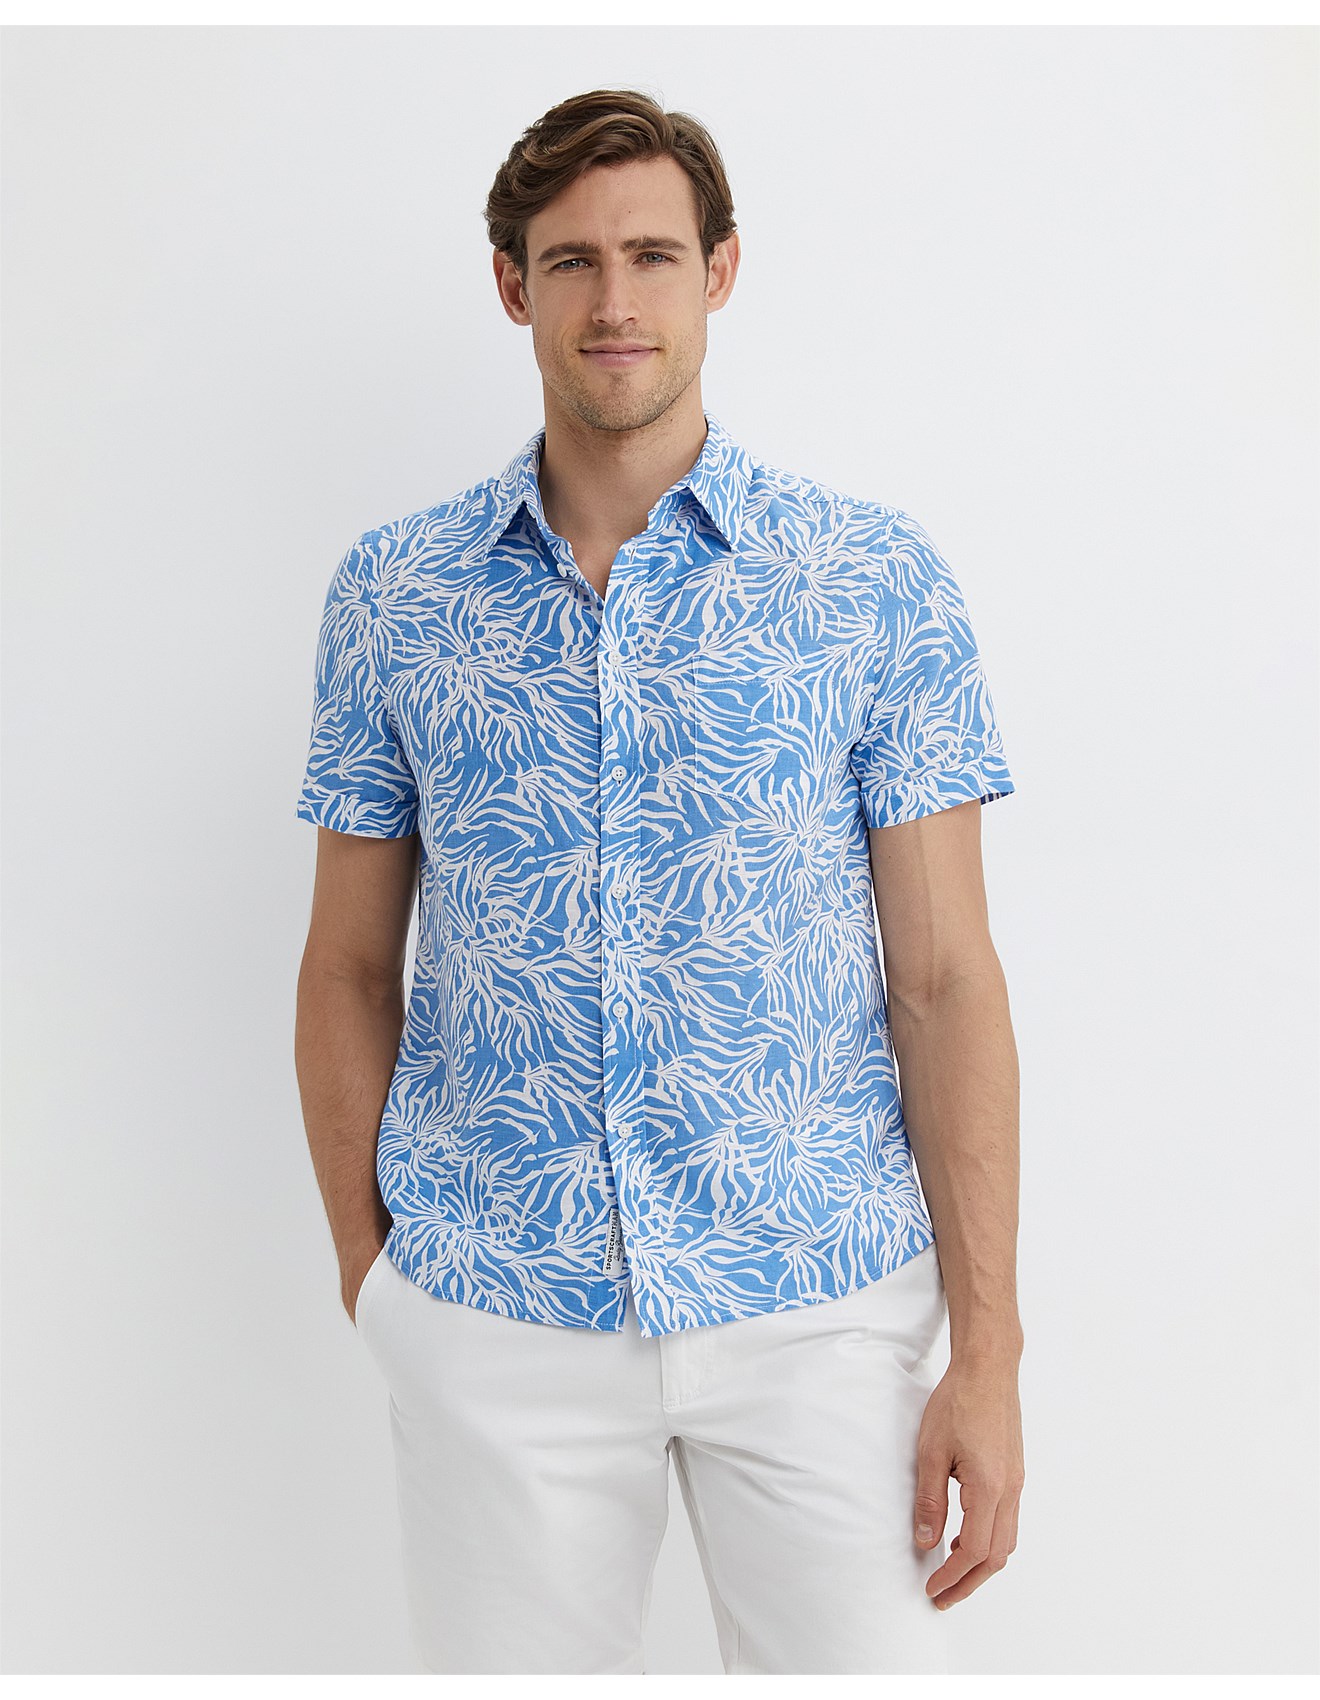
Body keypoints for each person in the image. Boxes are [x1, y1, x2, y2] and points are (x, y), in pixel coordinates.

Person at [293, 86, 1025, 1677]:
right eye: (570, 261)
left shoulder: (869, 582)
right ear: (513, 286)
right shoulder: (396, 596)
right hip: (495, 1307)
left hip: (820, 1300)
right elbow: (347, 962)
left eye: (651, 256)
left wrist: (990, 1353)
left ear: (720, 272)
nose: (613, 301)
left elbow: (944, 978)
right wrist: (380, 1286)